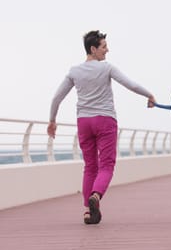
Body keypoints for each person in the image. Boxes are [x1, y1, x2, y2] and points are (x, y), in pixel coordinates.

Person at [47, 30, 156, 224]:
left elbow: (57, 97)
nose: (107, 50)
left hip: (84, 123)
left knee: (90, 166)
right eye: (104, 47)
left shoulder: (74, 71)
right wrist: (149, 95)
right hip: (105, 120)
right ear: (93, 49)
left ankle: (88, 212)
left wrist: (52, 120)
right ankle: (96, 196)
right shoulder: (106, 68)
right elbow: (130, 84)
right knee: (106, 165)